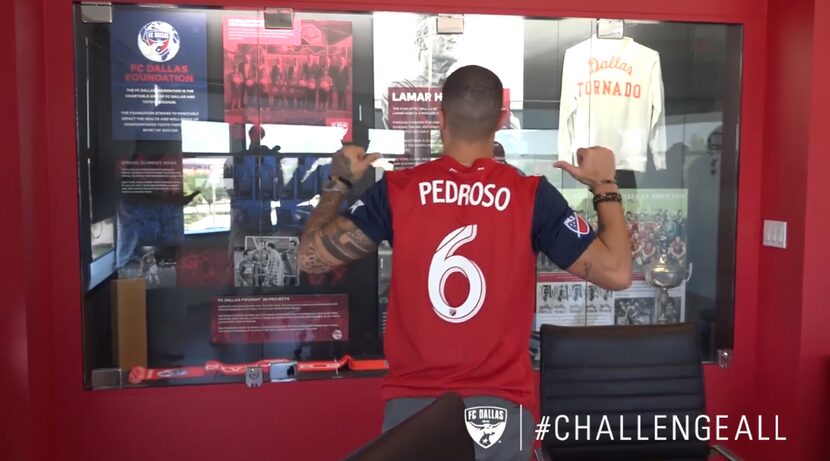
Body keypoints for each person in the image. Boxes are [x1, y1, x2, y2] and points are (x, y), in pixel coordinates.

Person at [297, 65, 631, 460]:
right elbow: (617, 272)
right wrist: (604, 184)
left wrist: (340, 182)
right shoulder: (531, 197)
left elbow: (310, 257)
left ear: (440, 118)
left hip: (414, 407)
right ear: (502, 121)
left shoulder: (398, 191)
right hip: (501, 408)